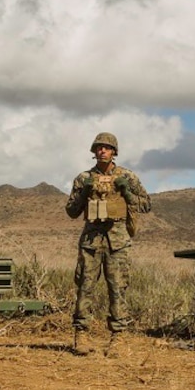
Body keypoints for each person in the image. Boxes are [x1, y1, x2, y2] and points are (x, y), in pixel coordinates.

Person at [64, 131, 151, 353]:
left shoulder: (128, 177)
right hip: (92, 241)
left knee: (118, 288)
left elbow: (146, 204)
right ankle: (81, 335)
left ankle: (118, 336)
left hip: (118, 241)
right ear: (94, 152)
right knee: (85, 286)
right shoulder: (84, 178)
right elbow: (72, 211)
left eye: (107, 147)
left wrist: (127, 192)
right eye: (98, 147)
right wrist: (84, 193)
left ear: (114, 152)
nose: (102, 150)